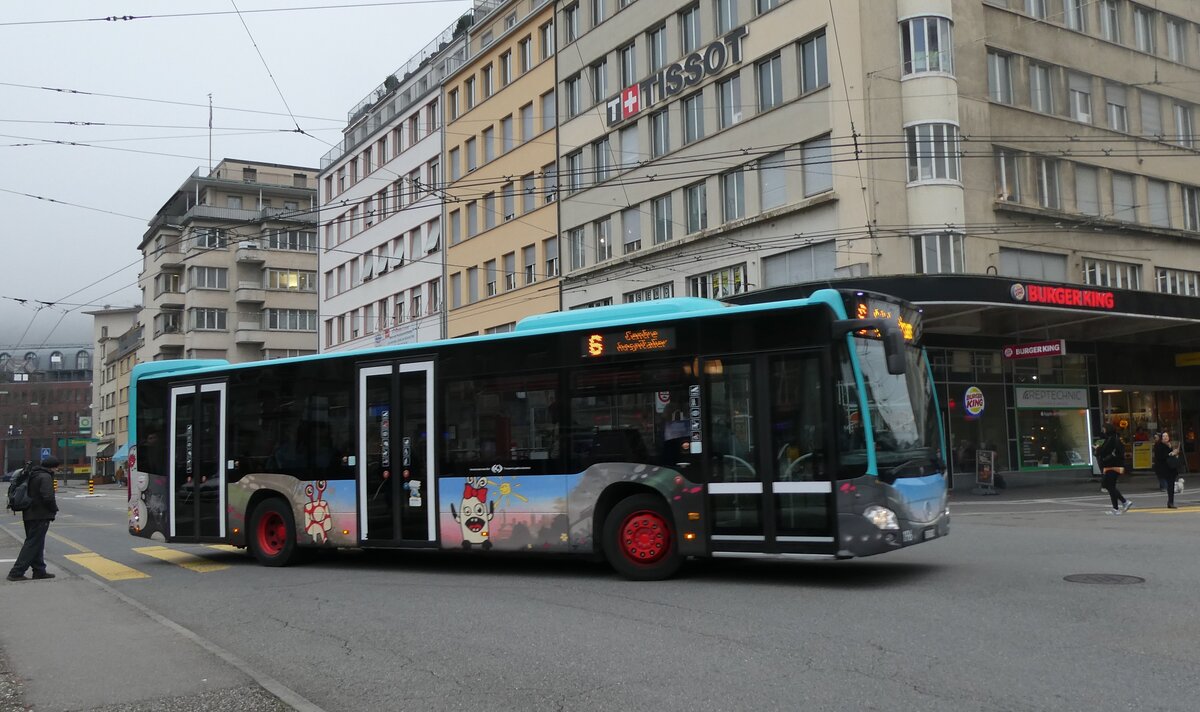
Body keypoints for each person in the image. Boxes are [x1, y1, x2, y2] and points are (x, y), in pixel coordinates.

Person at [6, 456, 60, 582]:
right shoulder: (45, 477)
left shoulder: (34, 474)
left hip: (29, 513)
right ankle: (16, 572)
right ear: (52, 467)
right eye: (57, 467)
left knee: (37, 543)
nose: (57, 469)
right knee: (32, 544)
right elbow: (48, 497)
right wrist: (54, 509)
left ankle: (39, 571)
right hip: (39, 514)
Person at [1095, 424, 1132, 515]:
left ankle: (1123, 502)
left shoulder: (1112, 439)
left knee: (1109, 486)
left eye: (1104, 429)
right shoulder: (1112, 438)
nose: (1103, 430)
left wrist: (1098, 449)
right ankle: (1117, 507)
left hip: (1113, 466)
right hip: (1111, 465)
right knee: (1110, 486)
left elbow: (1106, 451)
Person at [1154, 430, 1182, 509]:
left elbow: (1172, 456)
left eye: (1167, 436)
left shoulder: (1170, 445)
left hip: (1171, 468)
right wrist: (1170, 454)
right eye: (1164, 436)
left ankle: (1171, 502)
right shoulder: (1158, 445)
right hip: (1163, 468)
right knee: (1168, 485)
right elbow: (1160, 457)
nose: (1165, 438)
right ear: (1161, 438)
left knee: (1171, 486)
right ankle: (1170, 502)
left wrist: (1175, 453)